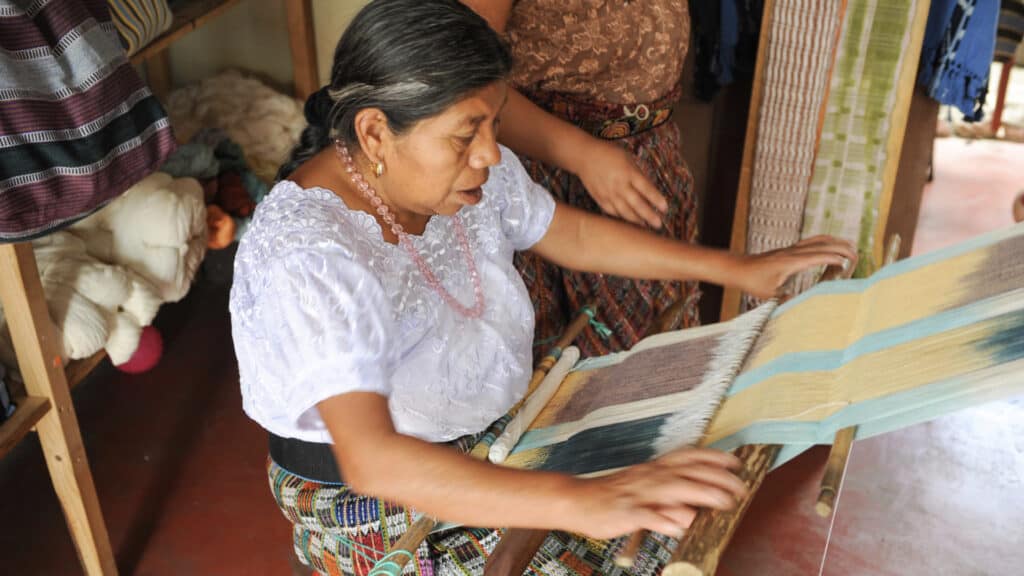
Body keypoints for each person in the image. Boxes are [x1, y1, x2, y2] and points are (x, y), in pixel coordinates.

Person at [228, 1, 857, 574]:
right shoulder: (312, 255)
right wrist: (582, 501)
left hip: (483, 433)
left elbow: (566, 233)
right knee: (625, 546)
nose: (491, 154)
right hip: (366, 500)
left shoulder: (451, 175)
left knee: (660, 524)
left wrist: (734, 268)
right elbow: (374, 461)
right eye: (466, 133)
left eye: (495, 125)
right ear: (372, 133)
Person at [462, 0, 705, 357]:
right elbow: (468, 84)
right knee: (581, 380)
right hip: (556, 178)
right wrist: (584, 156)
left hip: (648, 163)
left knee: (661, 365)